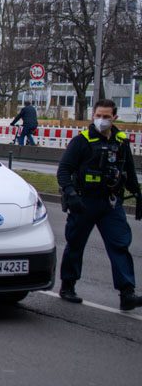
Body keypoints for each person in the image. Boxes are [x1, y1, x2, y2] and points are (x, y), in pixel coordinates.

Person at [56, 99, 141, 310]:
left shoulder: (121, 142)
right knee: (76, 244)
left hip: (111, 203)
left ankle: (127, 293)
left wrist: (138, 193)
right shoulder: (82, 141)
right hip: (84, 202)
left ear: (114, 118)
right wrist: (71, 194)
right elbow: (64, 171)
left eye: (106, 117)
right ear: (93, 115)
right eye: (98, 116)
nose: (101, 120)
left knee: (120, 245)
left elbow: (129, 171)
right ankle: (68, 285)